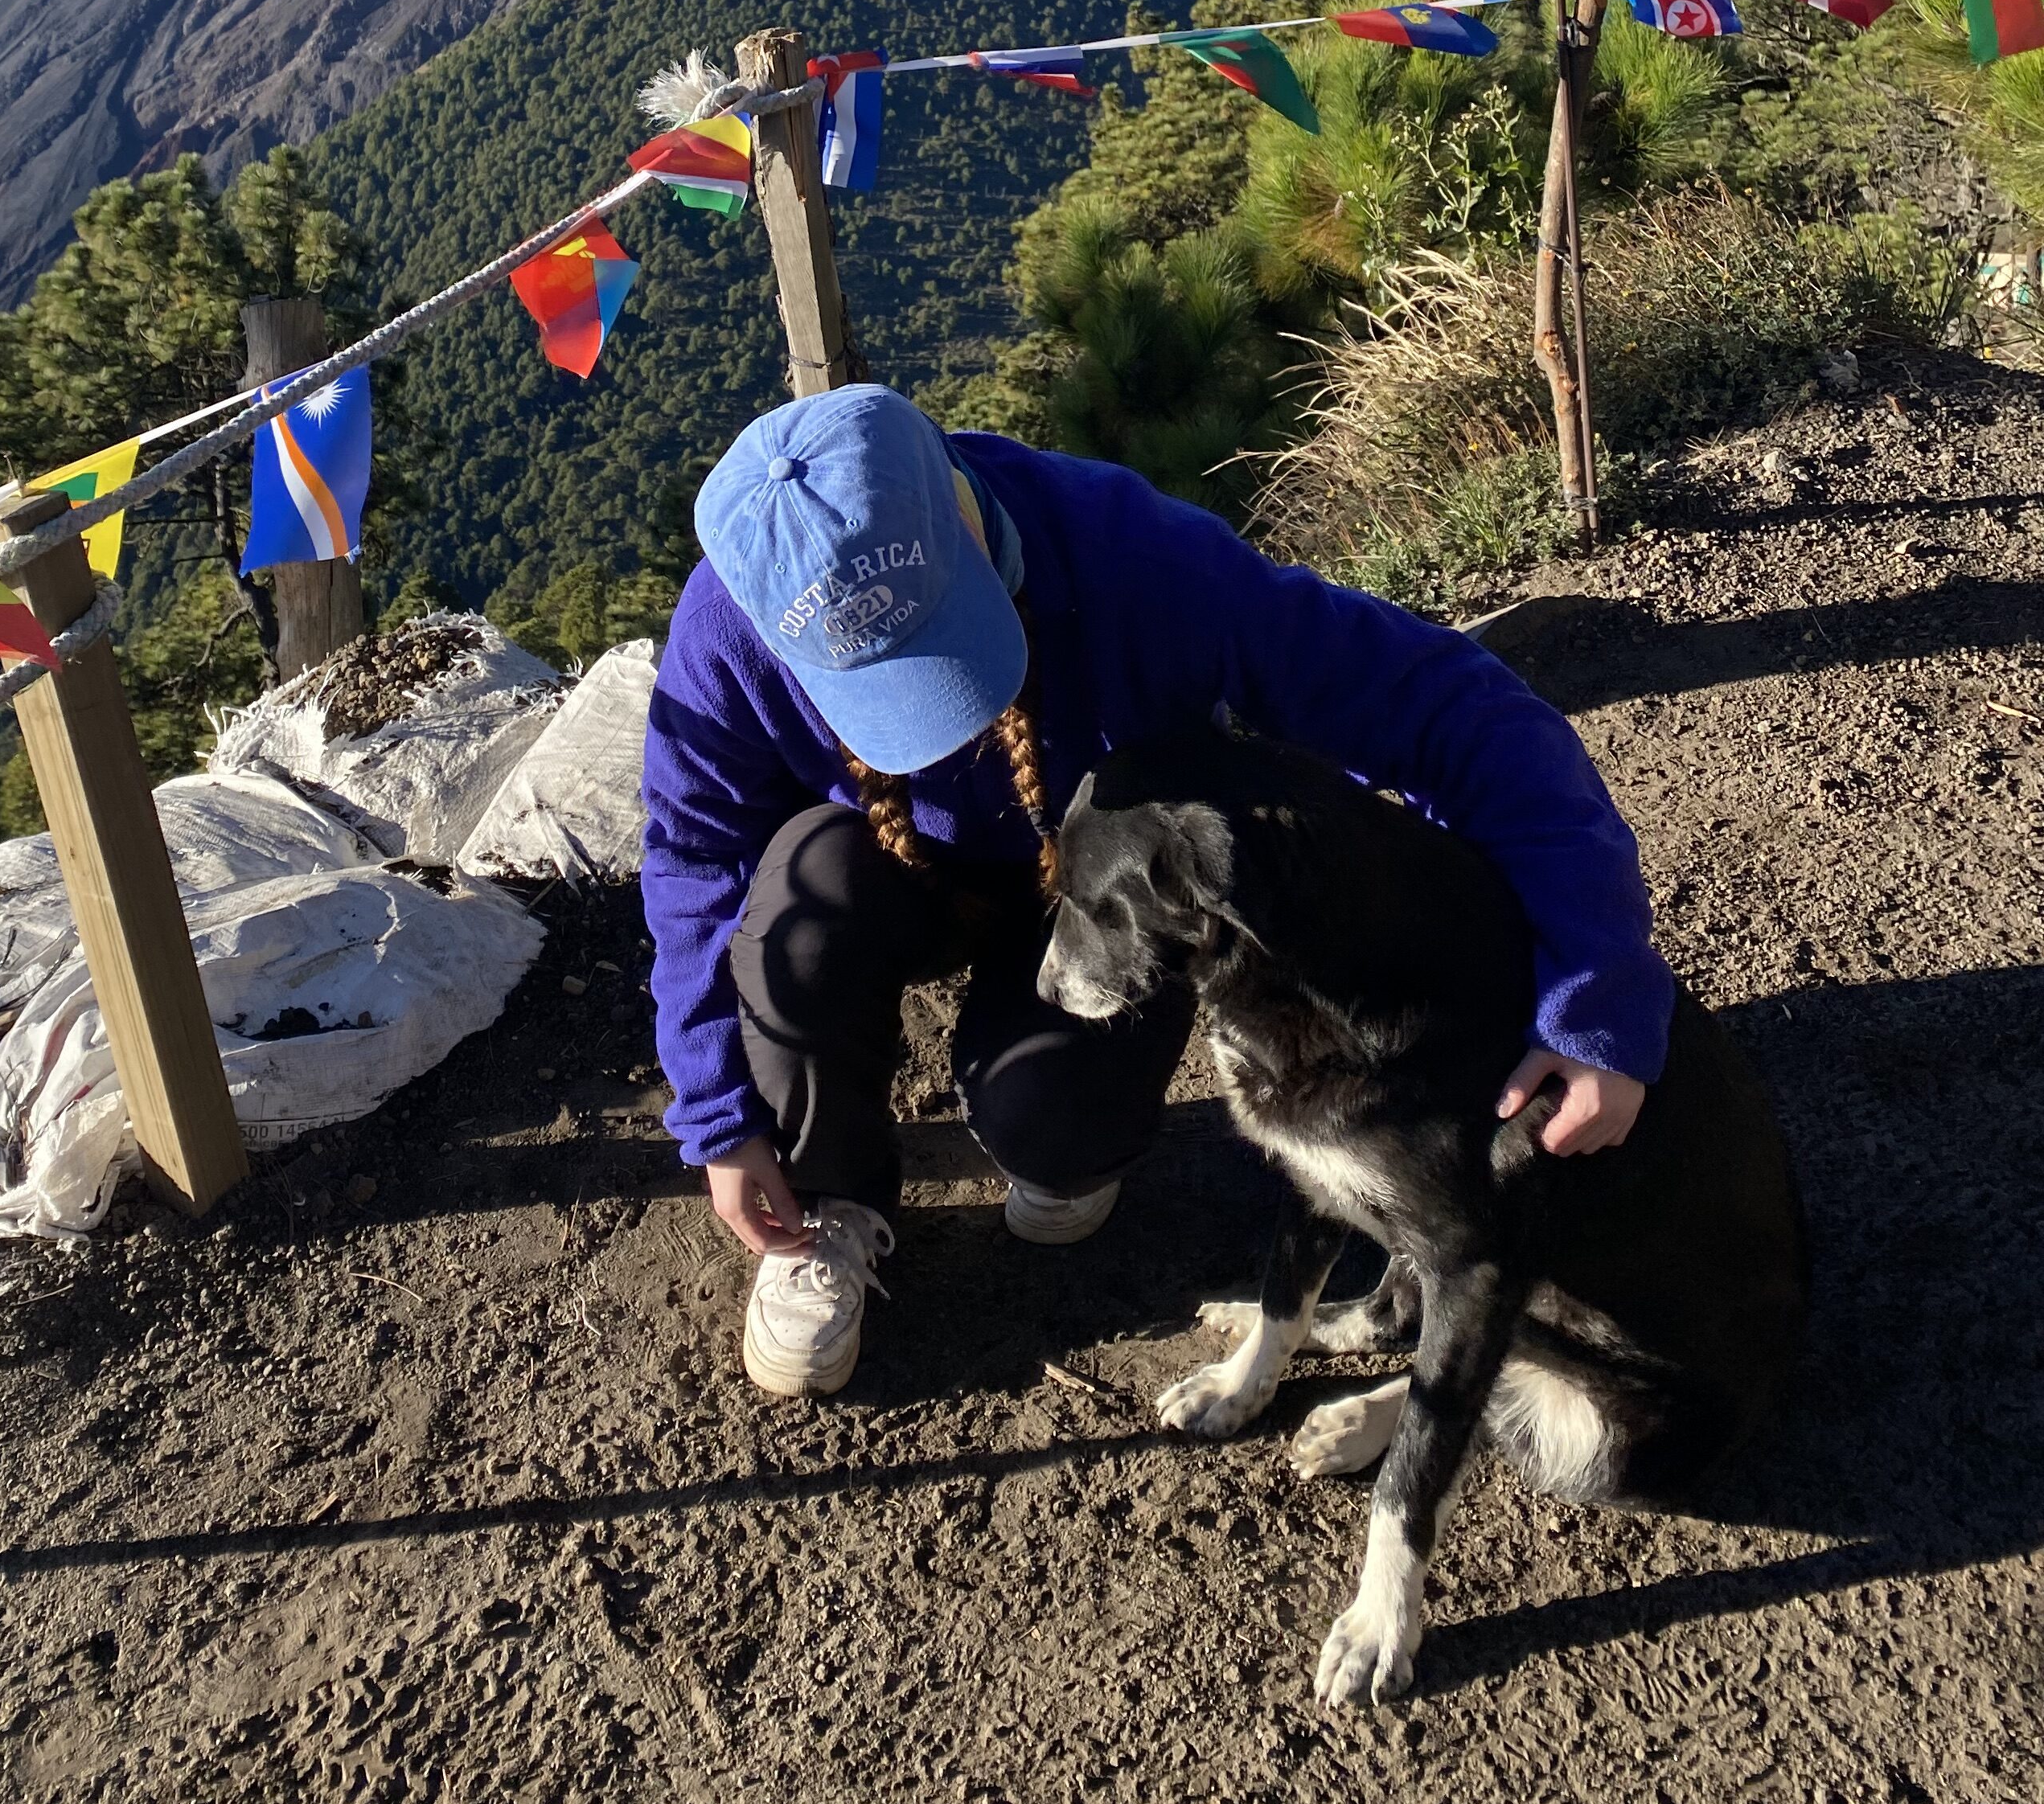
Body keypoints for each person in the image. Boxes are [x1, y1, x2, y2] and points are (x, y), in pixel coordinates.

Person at [639, 383, 1672, 1398]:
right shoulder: (730, 630)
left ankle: (1064, 1131)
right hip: (889, 867)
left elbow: (1453, 708)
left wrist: (1596, 990)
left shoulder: (1141, 560)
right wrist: (721, 1118)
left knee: (1057, 1132)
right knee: (799, 904)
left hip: (1096, 894)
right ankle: (826, 1201)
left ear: (968, 509)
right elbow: (692, 858)